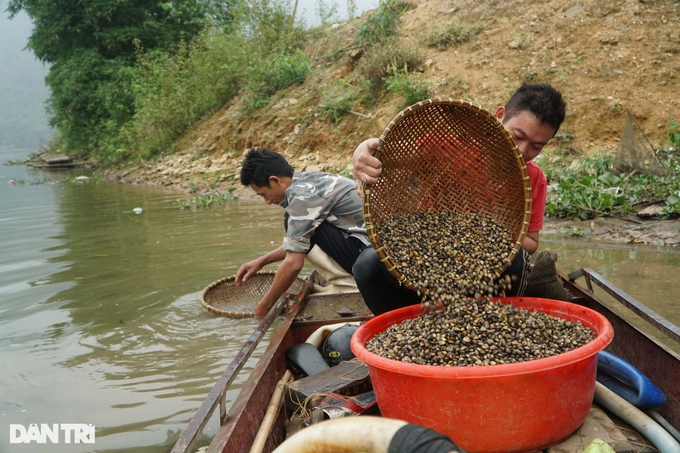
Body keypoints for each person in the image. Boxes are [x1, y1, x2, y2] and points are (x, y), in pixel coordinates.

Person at [351, 83, 566, 315]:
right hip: (426, 261)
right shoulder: (445, 147)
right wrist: (362, 152)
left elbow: (531, 244)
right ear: (499, 116)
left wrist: (492, 230)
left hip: (485, 272)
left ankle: (487, 320)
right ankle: (404, 328)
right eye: (517, 136)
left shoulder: (532, 178)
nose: (523, 150)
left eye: (536, 146)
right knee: (367, 264)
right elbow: (384, 154)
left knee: (517, 260)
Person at [236, 148, 371, 317]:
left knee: (293, 222)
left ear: (275, 180)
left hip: (371, 259)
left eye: (264, 194)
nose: (268, 202)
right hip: (371, 248)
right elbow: (298, 242)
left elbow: (293, 263)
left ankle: (349, 285)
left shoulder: (301, 197)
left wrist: (263, 308)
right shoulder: (311, 181)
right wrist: (262, 261)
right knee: (304, 230)